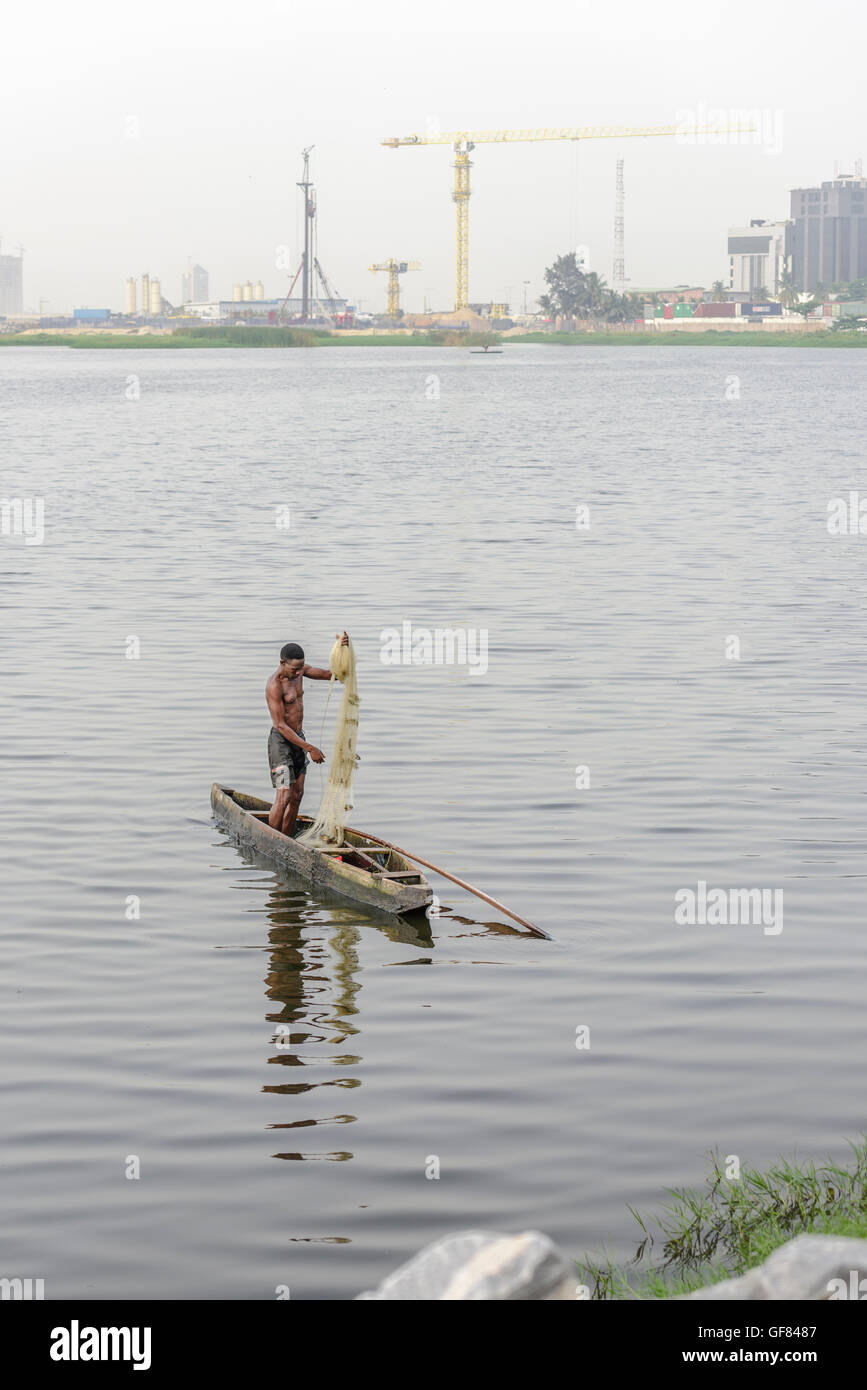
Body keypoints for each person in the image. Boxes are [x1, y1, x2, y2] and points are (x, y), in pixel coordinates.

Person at [265, 633, 349, 836]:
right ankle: (272, 838)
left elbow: (333, 675)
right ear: (282, 663)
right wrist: (310, 748)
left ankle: (287, 838)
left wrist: (343, 649)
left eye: (301, 667)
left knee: (297, 795)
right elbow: (281, 725)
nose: (298, 672)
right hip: (281, 743)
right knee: (283, 796)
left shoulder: (301, 672)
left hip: (298, 740)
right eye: (294, 669)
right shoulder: (274, 685)